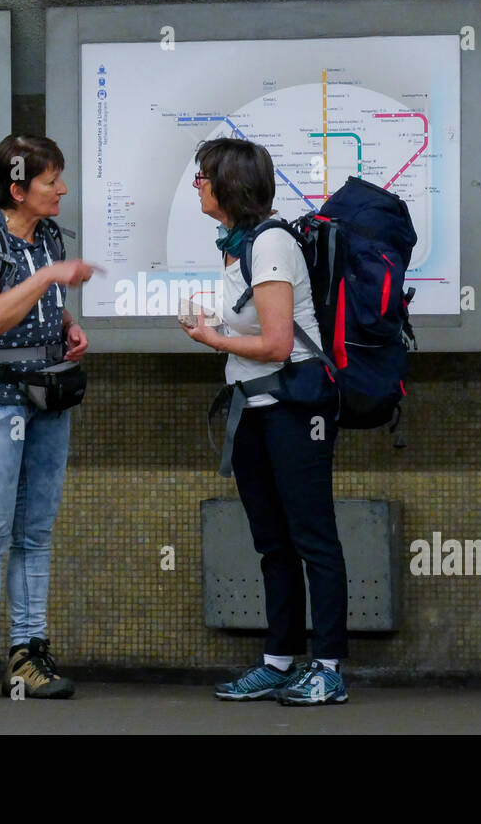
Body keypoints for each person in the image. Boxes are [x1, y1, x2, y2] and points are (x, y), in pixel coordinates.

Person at [180, 138, 349, 705]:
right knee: (272, 542)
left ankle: (327, 665)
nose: (196, 185)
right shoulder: (237, 245)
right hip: (252, 407)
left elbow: (278, 344)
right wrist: (220, 333)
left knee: (312, 537)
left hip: (294, 409)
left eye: (204, 176)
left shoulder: (272, 242)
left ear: (229, 183)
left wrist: (212, 338)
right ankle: (280, 659)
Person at [0, 133, 97, 701]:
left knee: (34, 532)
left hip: (46, 397)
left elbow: (44, 304)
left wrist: (67, 326)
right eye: (50, 180)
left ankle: (29, 654)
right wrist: (47, 281)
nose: (61, 189)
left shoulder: (48, 235)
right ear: (17, 189)